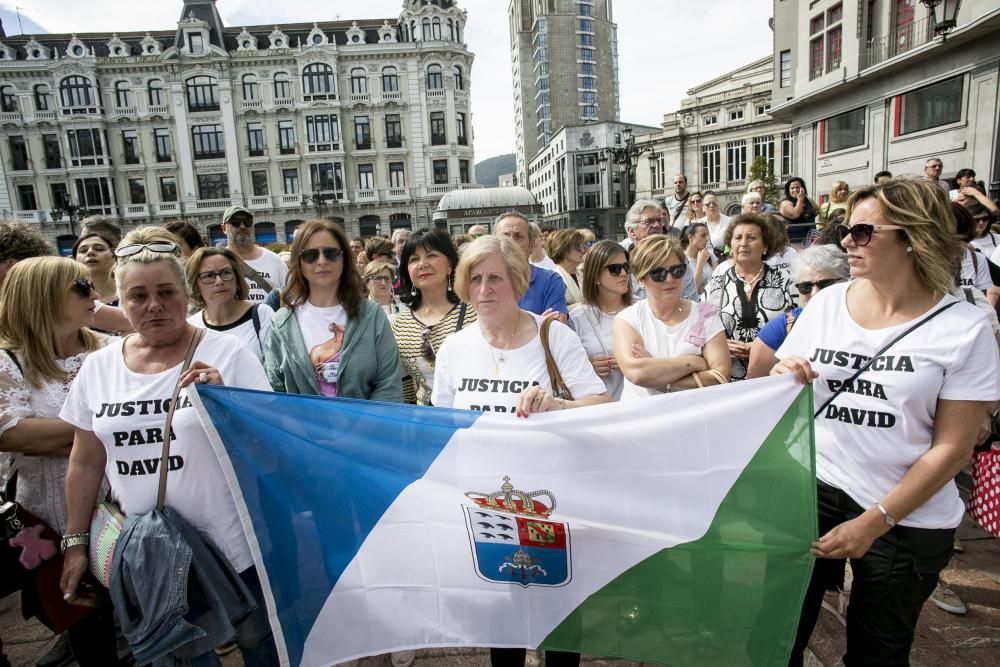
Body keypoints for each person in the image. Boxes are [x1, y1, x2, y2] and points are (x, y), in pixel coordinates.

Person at [772, 179, 1000, 667]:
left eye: (862, 231)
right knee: (778, 632)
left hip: (906, 510)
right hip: (816, 487)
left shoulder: (964, 328)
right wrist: (783, 370)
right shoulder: (829, 302)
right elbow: (782, 371)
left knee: (879, 649)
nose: (847, 241)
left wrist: (876, 520)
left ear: (913, 236)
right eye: (845, 230)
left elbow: (953, 450)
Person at [58, 226, 280, 666]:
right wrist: (75, 545)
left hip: (233, 547)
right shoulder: (99, 368)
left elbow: (268, 448)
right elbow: (84, 461)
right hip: (152, 557)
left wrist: (227, 404)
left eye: (166, 291)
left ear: (186, 293)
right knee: (182, 657)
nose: (154, 305)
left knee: (258, 644)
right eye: (138, 295)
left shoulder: (228, 354)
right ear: (119, 300)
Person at [0, 257, 119, 667]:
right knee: (86, 624)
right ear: (45, 298)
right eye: (82, 288)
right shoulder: (8, 361)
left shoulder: (110, 351)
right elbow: (11, 433)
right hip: (46, 516)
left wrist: (53, 437)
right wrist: (97, 429)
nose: (95, 295)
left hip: (116, 506)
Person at [264, 219, 402, 401]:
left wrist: (364, 427)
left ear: (344, 259)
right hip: (301, 428)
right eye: (310, 255)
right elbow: (274, 389)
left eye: (331, 253)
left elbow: (388, 384)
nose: (321, 261)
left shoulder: (372, 314)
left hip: (365, 428)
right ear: (299, 263)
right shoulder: (281, 322)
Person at [614, 236, 730, 400]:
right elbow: (638, 374)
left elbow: (720, 376)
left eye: (677, 270)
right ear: (641, 279)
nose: (669, 279)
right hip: (642, 419)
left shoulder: (705, 314)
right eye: (658, 273)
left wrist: (660, 380)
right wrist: (694, 363)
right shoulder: (627, 319)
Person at [704, 213, 797, 382]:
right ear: (730, 245)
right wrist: (719, 345)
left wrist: (763, 347)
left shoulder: (788, 281)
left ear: (765, 247)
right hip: (726, 381)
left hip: (774, 377)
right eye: (738, 238)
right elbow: (698, 328)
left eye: (751, 238)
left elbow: (802, 326)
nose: (743, 243)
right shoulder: (715, 283)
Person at [391, 228, 476, 406]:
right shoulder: (399, 325)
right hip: (424, 423)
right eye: (414, 259)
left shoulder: (475, 314)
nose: (422, 264)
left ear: (451, 265)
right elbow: (404, 384)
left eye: (431, 255)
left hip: (469, 418)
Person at [746, 244, 849, 378]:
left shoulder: (869, 322)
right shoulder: (779, 328)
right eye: (805, 286)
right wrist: (777, 377)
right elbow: (756, 387)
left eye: (825, 284)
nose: (814, 293)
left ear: (847, 281)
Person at [186, 247, 274, 363]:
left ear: (237, 280)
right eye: (208, 276)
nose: (219, 281)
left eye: (226, 273)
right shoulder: (191, 326)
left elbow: (276, 372)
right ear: (195, 285)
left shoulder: (261, 315)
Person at [567, 240, 631, 400]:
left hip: (640, 405)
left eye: (626, 267)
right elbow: (566, 369)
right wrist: (587, 367)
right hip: (599, 409)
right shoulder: (577, 318)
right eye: (615, 269)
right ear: (595, 276)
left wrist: (638, 362)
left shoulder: (642, 309)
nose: (624, 273)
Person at [493, 212, 568, 321]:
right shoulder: (482, 282)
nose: (511, 242)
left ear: (532, 243)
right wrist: (538, 323)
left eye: (518, 236)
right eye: (505, 236)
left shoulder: (550, 280)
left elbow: (555, 329)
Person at [221, 205, 288, 304]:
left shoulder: (274, 260)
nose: (242, 226)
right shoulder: (218, 262)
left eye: (247, 222)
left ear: (252, 227)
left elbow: (290, 294)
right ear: (223, 228)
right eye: (235, 222)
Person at [72, 227, 119, 307]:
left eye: (99, 249)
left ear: (114, 256)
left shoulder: (129, 291)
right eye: (83, 251)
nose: (90, 252)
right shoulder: (69, 299)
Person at [546, 228, 586, 309]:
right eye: (578, 247)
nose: (583, 250)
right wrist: (582, 306)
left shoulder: (586, 274)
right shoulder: (552, 279)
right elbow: (553, 310)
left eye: (583, 246)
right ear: (563, 250)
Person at [779, 177, 818, 244]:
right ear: (788, 190)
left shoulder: (809, 200)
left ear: (802, 188)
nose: (795, 190)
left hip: (811, 238)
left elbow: (817, 210)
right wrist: (800, 200)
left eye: (797, 187)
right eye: (792, 188)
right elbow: (795, 215)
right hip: (795, 239)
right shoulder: (785, 203)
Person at [681, 222, 716, 294]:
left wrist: (703, 287)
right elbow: (693, 289)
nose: (707, 239)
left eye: (707, 236)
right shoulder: (681, 259)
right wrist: (700, 263)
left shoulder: (710, 256)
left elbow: (717, 283)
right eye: (703, 236)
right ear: (690, 237)